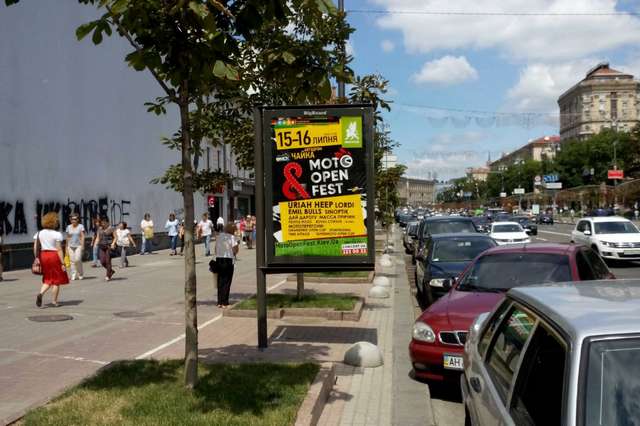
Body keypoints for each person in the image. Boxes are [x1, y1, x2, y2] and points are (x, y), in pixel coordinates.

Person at [34, 212, 69, 307]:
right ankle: (54, 301)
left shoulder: (39, 233)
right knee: (56, 279)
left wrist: (36, 258)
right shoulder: (57, 234)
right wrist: (63, 262)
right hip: (54, 256)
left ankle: (40, 294)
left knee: (48, 277)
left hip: (43, 255)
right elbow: (59, 249)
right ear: (55, 222)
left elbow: (35, 247)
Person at [214, 223, 239, 308]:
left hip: (219, 259)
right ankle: (225, 302)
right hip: (228, 259)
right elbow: (235, 249)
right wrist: (234, 252)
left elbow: (215, 249)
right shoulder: (232, 237)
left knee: (220, 280)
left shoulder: (219, 236)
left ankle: (219, 302)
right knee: (227, 281)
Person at [94, 217, 116, 281]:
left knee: (108, 261)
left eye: (104, 223)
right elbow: (98, 237)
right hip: (101, 246)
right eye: (102, 223)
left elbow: (115, 237)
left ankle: (108, 275)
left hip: (109, 246)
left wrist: (113, 243)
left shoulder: (111, 228)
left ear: (107, 222)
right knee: (102, 262)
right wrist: (95, 244)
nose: (103, 224)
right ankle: (111, 271)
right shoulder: (99, 229)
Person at [65, 213, 85, 280]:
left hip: (78, 245)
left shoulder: (80, 226)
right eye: (72, 219)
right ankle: (73, 274)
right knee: (72, 261)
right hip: (70, 246)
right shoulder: (68, 227)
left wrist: (83, 245)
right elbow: (67, 237)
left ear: (78, 220)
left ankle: (80, 273)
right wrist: (66, 247)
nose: (73, 220)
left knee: (78, 259)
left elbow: (82, 236)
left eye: (75, 219)